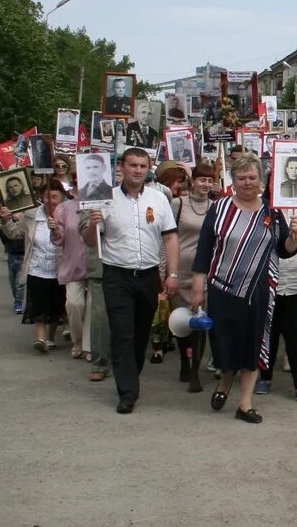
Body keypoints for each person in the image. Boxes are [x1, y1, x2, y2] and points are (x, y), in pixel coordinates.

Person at [190, 154, 297, 424]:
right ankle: (225, 384)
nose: (247, 182)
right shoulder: (218, 209)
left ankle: (245, 403)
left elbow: (284, 251)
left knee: (252, 343)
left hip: (258, 290)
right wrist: (197, 288)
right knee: (225, 343)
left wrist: (295, 237)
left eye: (252, 177)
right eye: (242, 178)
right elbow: (204, 250)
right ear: (233, 181)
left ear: (261, 180)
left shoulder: (272, 213)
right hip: (221, 288)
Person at [80, 148, 180, 415]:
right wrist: (92, 224)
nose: (137, 170)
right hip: (117, 275)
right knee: (122, 332)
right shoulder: (105, 198)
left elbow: (170, 238)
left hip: (148, 276)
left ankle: (130, 372)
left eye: (142, 165)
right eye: (132, 165)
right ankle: (127, 391)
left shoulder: (159, 200)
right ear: (122, 167)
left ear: (149, 168)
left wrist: (172, 274)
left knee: (139, 334)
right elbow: (91, 241)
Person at [256, 202, 297, 405]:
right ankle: (265, 377)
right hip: (268, 282)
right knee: (269, 333)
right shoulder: (262, 209)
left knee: (296, 336)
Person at [2, 181, 69, 354]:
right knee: (38, 303)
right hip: (36, 267)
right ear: (40, 197)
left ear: (62, 197)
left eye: (54, 196)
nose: (50, 200)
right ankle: (40, 338)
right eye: (47, 196)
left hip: (60, 267)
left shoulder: (69, 214)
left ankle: (51, 337)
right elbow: (14, 233)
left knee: (56, 304)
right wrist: (5, 219)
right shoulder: (32, 214)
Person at [169, 163, 217, 392]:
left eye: (210, 181)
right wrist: (168, 272)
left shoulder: (216, 207)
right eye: (202, 180)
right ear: (193, 181)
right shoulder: (178, 204)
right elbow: (167, 238)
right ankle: (183, 361)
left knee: (200, 322)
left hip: (204, 274)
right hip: (180, 270)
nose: (206, 185)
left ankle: (196, 370)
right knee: (181, 321)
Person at [53, 185, 90, 361]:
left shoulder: (106, 203)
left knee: (93, 307)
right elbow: (58, 239)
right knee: (74, 304)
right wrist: (54, 230)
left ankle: (90, 345)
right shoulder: (65, 208)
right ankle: (78, 339)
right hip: (73, 264)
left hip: (99, 264)